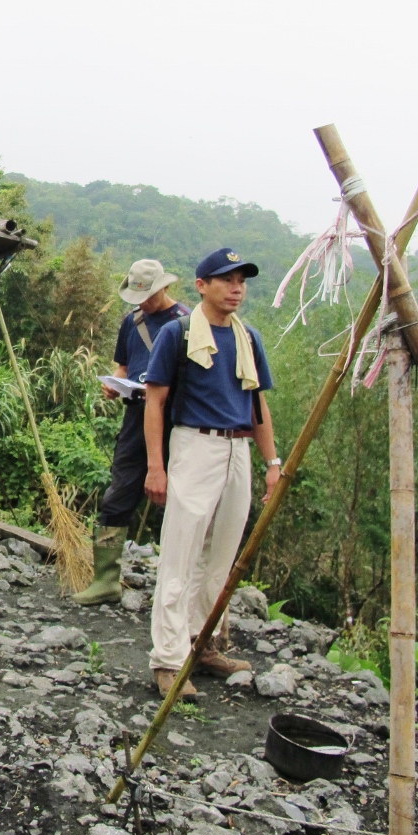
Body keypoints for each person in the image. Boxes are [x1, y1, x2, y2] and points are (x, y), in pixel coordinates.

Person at [142, 248, 280, 698]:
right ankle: (168, 659)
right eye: (226, 280)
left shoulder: (248, 338)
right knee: (180, 552)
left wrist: (272, 463)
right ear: (202, 286)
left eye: (241, 281)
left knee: (221, 554)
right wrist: (156, 467)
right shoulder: (178, 334)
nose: (236, 289)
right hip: (195, 443)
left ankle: (202, 643)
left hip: (238, 447)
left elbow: (258, 405)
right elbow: (155, 402)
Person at [72, 260, 188, 606]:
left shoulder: (186, 324)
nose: (144, 303)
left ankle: (179, 586)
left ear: (164, 288)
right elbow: (123, 365)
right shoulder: (132, 322)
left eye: (149, 296)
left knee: (182, 498)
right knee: (119, 490)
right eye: (138, 297)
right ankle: (106, 580)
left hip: (178, 418)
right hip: (136, 416)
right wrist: (115, 383)